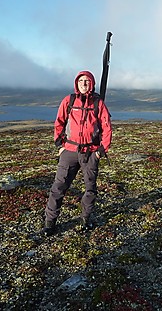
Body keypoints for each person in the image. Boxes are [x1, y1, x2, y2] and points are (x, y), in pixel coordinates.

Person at [43, 71, 112, 236]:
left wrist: (100, 152)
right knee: (58, 187)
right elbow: (59, 121)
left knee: (90, 189)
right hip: (69, 152)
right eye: (81, 80)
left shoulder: (98, 103)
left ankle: (85, 220)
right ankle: (49, 223)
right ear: (76, 83)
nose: (84, 83)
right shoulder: (69, 101)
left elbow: (107, 126)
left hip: (90, 153)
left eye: (87, 81)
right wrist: (60, 145)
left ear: (92, 83)